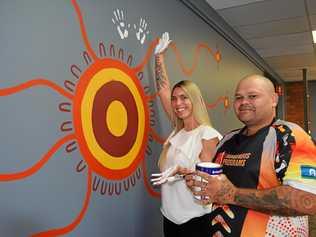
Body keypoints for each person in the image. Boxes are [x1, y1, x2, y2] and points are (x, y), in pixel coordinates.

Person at [185, 74, 316, 237]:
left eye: (253, 96)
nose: (244, 102)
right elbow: (218, 189)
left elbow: (308, 201)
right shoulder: (227, 139)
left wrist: (232, 195)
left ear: (274, 99)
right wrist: (202, 185)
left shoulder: (290, 137)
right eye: (238, 97)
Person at [152, 33, 222, 237]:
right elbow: (163, 89)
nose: (178, 103)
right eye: (175, 99)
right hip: (170, 217)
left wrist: (183, 172)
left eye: (184, 97)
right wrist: (159, 57)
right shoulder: (178, 130)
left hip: (195, 221)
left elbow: (208, 186)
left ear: (195, 100)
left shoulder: (207, 135)